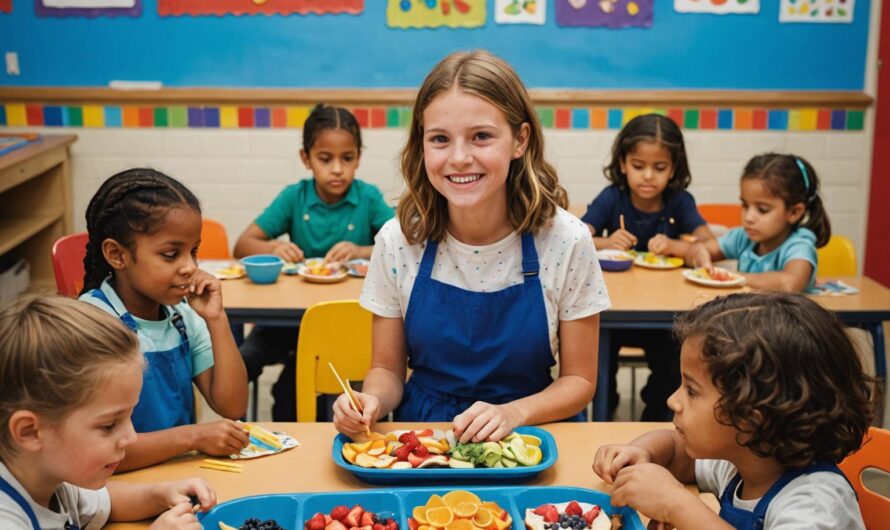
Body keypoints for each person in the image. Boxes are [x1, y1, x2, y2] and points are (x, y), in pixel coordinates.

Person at [333, 50, 609, 443]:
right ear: (422, 145)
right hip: (429, 438)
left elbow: (580, 380)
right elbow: (388, 371)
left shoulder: (567, 241)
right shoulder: (397, 242)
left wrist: (515, 413)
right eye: (440, 139)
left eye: (481, 137)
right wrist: (370, 400)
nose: (460, 158)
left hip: (533, 434)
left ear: (520, 140)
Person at [592, 293, 874, 529]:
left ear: (753, 415)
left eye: (691, 390)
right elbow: (677, 452)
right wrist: (643, 454)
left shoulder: (816, 504)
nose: (672, 401)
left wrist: (677, 505)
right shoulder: (745, 459)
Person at [79, 168, 249, 471]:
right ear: (117, 255)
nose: (190, 267)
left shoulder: (181, 316)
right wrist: (194, 436)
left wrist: (216, 319)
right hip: (115, 487)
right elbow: (102, 454)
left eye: (193, 251)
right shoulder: (94, 325)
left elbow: (232, 406)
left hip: (177, 473)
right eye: (171, 254)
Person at [233, 104, 394, 421]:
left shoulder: (368, 197)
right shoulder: (296, 196)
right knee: (244, 359)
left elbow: (405, 245)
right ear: (306, 158)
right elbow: (242, 244)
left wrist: (362, 251)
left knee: (293, 387)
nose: (337, 169)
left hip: (348, 321)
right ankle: (233, 431)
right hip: (290, 319)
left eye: (347, 159)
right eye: (325, 159)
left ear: (358, 158)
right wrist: (274, 248)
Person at [0, 295, 217, 529]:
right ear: (30, 431)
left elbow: (106, 501)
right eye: (109, 425)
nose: (131, 438)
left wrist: (161, 493)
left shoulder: (48, 476)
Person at [582, 113, 713, 421]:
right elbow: (577, 235)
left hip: (665, 319)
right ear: (623, 163)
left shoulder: (678, 201)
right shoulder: (612, 197)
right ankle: (606, 413)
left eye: (660, 167)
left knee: (671, 367)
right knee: (600, 366)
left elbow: (707, 244)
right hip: (613, 314)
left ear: (674, 169)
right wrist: (606, 241)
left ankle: (656, 417)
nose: (648, 176)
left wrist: (678, 247)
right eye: (639, 166)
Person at [687, 153, 830, 292]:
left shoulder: (799, 245)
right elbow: (700, 249)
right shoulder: (743, 237)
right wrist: (699, 254)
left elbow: (790, 283)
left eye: (762, 209)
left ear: (794, 212)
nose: (748, 217)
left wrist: (731, 277)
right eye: (745, 205)